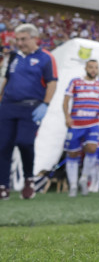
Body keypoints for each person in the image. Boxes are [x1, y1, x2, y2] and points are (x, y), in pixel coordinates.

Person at [0, 23, 57, 200]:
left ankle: (28, 179)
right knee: (3, 146)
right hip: (8, 105)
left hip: (31, 106)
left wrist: (45, 104)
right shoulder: (13, 57)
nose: (19, 43)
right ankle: (3, 185)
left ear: (34, 38)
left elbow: (52, 82)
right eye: (17, 39)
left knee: (25, 142)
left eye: (23, 39)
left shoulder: (46, 58)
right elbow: (6, 80)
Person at [62, 59, 99, 197]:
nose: (93, 70)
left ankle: (83, 179)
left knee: (92, 148)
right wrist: (67, 116)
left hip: (93, 123)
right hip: (76, 123)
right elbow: (65, 100)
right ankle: (72, 185)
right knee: (72, 153)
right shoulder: (75, 82)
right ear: (85, 68)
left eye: (96, 67)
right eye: (91, 67)